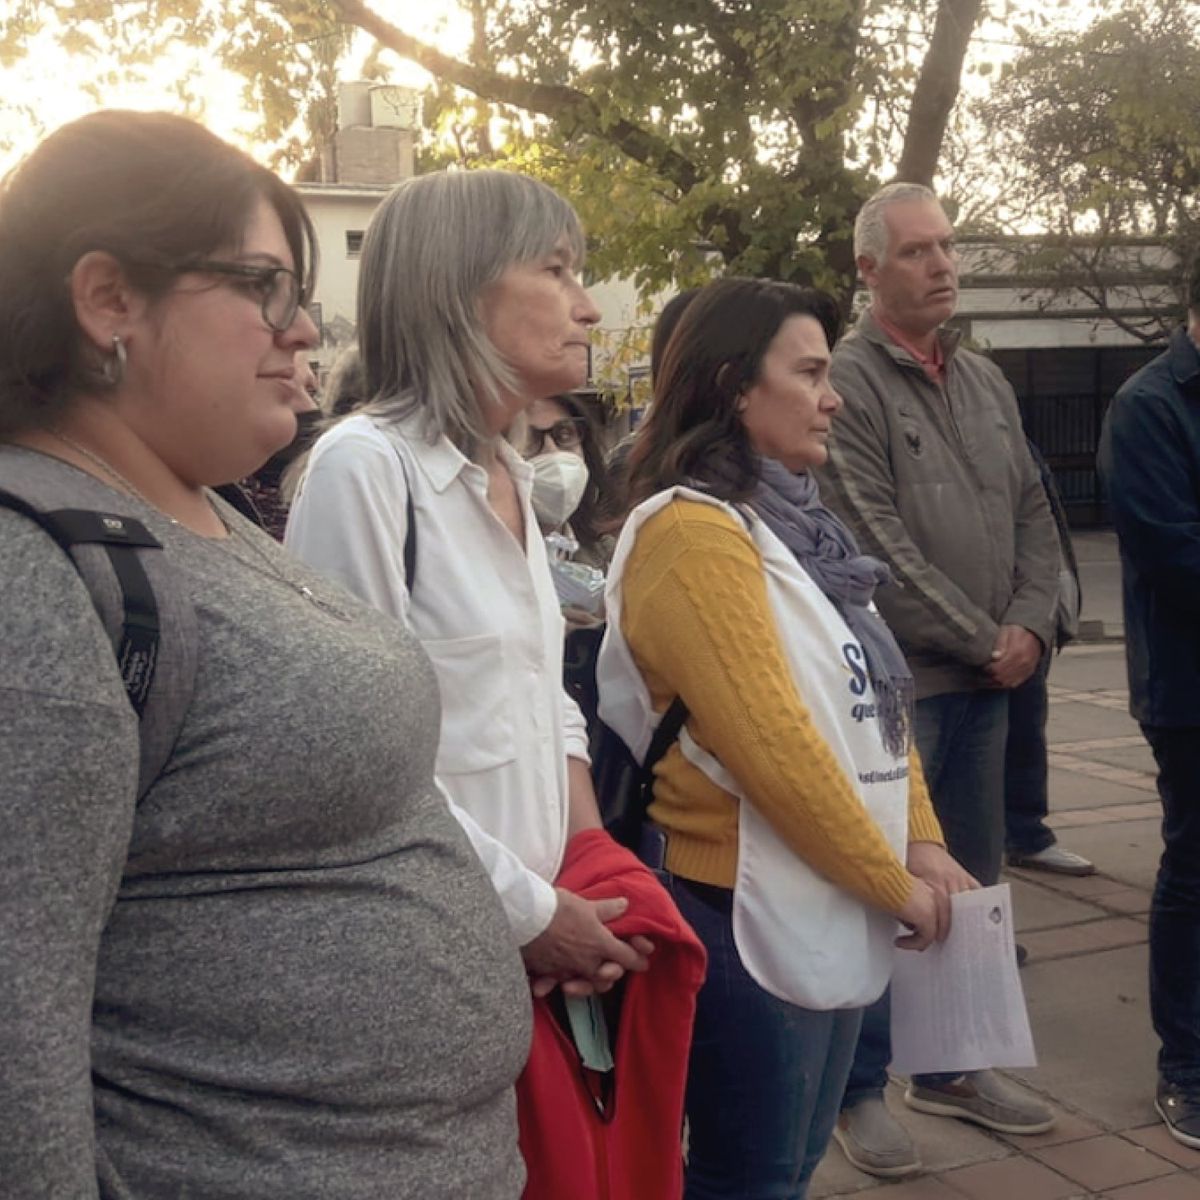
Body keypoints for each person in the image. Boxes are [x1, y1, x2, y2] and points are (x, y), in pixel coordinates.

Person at [0, 111, 531, 1197]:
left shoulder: (190, 506)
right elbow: (17, 1038)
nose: (303, 332)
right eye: (265, 288)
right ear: (109, 299)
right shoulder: (34, 573)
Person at [284, 169, 700, 1192]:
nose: (588, 304)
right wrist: (530, 914)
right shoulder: (364, 471)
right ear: (458, 288)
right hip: (440, 962)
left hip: (550, 952)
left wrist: (593, 867)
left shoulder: (507, 476)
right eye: (556, 270)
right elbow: (356, 761)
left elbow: (540, 694)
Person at [598, 276, 975, 1198]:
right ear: (733, 386)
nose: (833, 394)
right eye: (808, 372)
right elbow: (777, 752)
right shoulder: (695, 535)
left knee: (792, 1164)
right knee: (754, 1176)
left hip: (831, 884)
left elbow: (872, 706)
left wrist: (921, 838)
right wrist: (892, 878)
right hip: (740, 901)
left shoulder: (805, 532)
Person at [815, 182, 1060, 1177]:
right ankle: (862, 1086)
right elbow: (870, 535)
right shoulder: (847, 379)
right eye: (917, 252)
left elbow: (1037, 512)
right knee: (890, 884)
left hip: (994, 678)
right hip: (905, 684)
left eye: (949, 247)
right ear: (869, 270)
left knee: (977, 877)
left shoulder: (985, 379)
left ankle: (955, 1067)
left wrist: (1032, 625)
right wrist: (978, 635)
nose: (943, 265)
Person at [1098, 258, 1200, 1148]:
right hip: (1191, 691)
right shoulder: (1150, 406)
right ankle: (1188, 1068)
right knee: (1196, 871)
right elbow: (1175, 555)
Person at [1004, 438, 1094, 878]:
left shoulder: (1008, 429)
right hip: (976, 612)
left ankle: (1026, 834)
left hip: (1029, 608)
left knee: (1025, 728)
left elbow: (1044, 528)